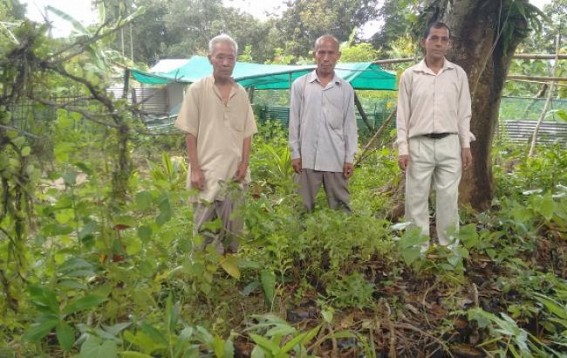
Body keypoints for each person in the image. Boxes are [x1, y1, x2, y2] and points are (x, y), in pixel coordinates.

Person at [174, 34, 257, 254]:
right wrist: (195, 169)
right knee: (203, 235)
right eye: (220, 57)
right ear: (210, 58)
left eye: (230, 58)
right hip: (206, 175)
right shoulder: (197, 90)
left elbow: (247, 134)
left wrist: (244, 164)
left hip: (235, 176)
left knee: (233, 235)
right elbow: (189, 133)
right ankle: (201, 282)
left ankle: (227, 282)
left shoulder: (241, 94)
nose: (226, 63)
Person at [396, 22, 474, 249]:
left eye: (444, 39)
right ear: (424, 42)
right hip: (418, 144)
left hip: (450, 143)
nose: (439, 43)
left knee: (449, 200)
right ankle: (416, 251)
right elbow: (403, 114)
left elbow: (464, 112)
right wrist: (403, 148)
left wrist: (465, 144)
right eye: (434, 38)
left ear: (448, 44)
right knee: (416, 200)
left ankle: (449, 251)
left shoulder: (457, 74)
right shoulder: (411, 75)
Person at [288, 34, 358, 212]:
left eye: (330, 53)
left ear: (338, 55)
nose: (326, 58)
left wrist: (349, 157)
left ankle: (341, 240)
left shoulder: (345, 88)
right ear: (314, 54)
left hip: (335, 157)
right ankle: (301, 239)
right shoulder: (300, 85)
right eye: (321, 52)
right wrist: (295, 153)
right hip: (306, 158)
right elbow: (294, 121)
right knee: (301, 209)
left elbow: (350, 125)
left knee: (342, 209)